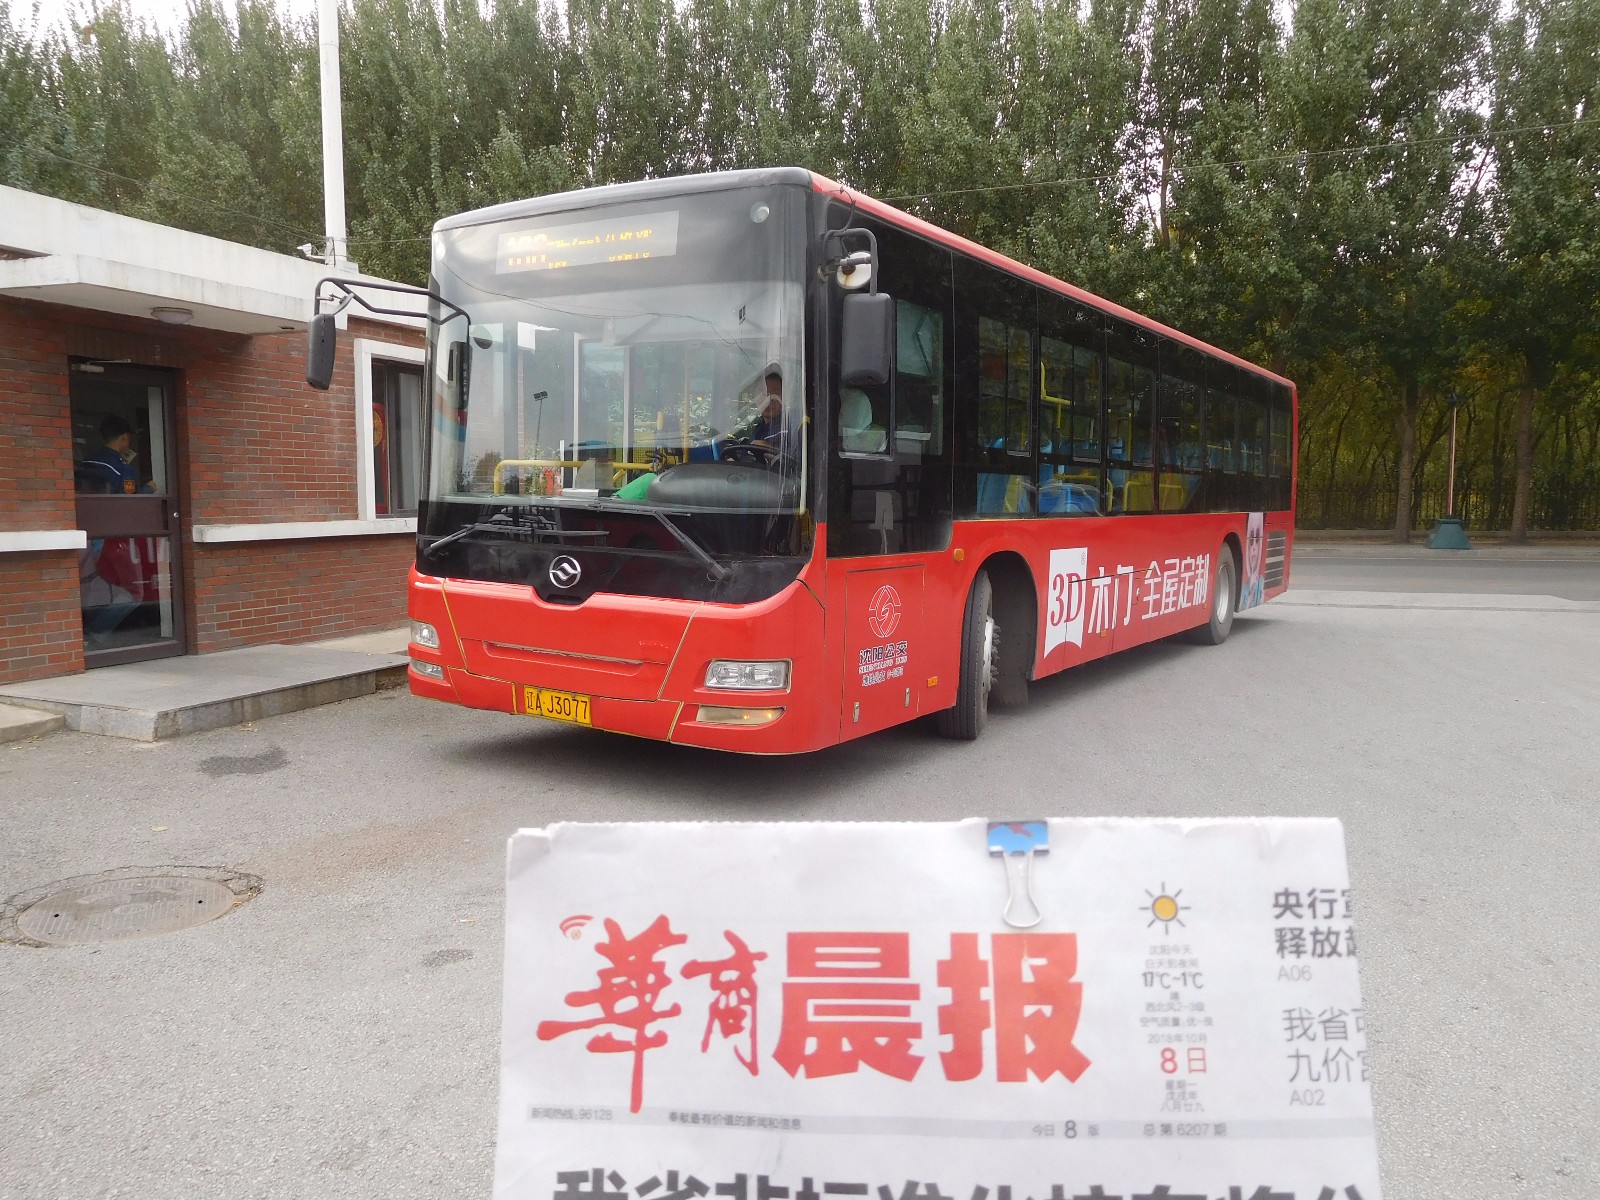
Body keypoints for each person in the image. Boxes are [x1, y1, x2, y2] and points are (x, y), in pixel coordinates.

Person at [79, 415, 149, 495]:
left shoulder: (87, 461)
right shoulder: (125, 469)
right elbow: (130, 498)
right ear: (125, 437)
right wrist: (148, 489)